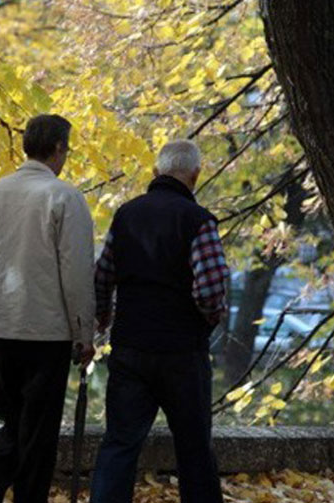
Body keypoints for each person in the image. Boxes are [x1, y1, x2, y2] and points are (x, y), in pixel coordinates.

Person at [89, 139, 230, 503]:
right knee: (194, 449)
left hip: (131, 345)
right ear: (195, 175)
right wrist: (207, 320)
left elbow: (102, 276)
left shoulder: (126, 215)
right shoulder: (197, 220)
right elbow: (212, 287)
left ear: (155, 173)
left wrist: (103, 318)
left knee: (120, 443)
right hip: (182, 350)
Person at [0, 114, 96, 503]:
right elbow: (75, 271)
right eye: (66, 148)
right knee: (38, 435)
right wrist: (83, 333)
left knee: (12, 423)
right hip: (46, 331)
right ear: (58, 147)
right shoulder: (64, 196)